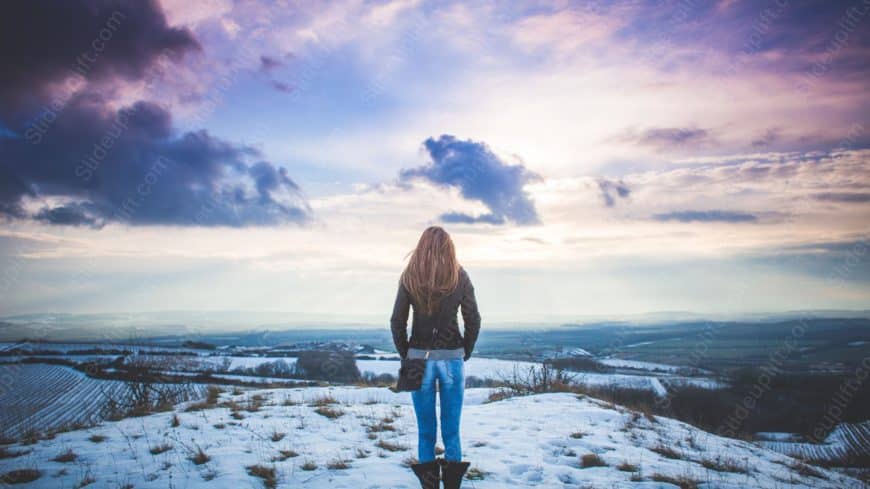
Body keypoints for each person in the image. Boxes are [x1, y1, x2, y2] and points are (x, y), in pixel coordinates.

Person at [390, 226, 481, 489]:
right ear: (448, 247)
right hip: (452, 358)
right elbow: (473, 319)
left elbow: (397, 321)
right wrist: (465, 350)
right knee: (451, 430)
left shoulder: (409, 276)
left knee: (425, 430)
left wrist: (407, 354)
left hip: (417, 360)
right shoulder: (459, 275)